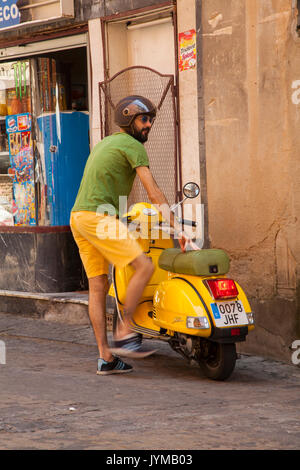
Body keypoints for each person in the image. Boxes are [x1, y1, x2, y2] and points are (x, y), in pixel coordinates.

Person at [70, 95, 189, 375]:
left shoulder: (107, 143)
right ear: (128, 119)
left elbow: (103, 181)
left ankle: (105, 358)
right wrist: (178, 228)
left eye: (151, 119)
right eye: (144, 119)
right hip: (98, 218)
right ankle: (125, 332)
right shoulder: (132, 145)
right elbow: (153, 191)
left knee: (98, 287)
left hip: (79, 218)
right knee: (145, 266)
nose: (149, 125)